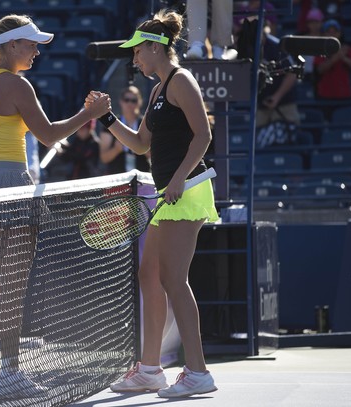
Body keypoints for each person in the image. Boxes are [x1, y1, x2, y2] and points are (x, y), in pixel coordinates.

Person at [0, 14, 109, 395]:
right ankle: (8, 371)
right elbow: (49, 135)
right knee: (13, 284)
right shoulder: (17, 85)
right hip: (11, 186)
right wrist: (89, 115)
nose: (36, 51)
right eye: (30, 44)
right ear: (11, 46)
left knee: (6, 282)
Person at [87, 9, 219, 398]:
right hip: (169, 193)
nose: (135, 59)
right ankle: (150, 369)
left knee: (173, 280)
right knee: (150, 275)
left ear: (154, 47)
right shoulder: (159, 89)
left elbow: (203, 136)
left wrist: (178, 179)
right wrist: (106, 117)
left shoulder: (182, 81)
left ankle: (198, 372)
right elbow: (142, 144)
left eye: (137, 53)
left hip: (188, 189)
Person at [313, 19, 351, 119]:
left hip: (344, 95)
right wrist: (335, 58)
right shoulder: (320, 49)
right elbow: (319, 69)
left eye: (335, 31)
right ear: (323, 34)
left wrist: (343, 58)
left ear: (340, 33)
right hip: (325, 96)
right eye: (328, 31)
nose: (332, 34)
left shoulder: (346, 49)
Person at [99, 85, 150, 174]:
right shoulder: (111, 123)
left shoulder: (146, 122)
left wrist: (142, 148)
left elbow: (155, 156)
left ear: (140, 102)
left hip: (142, 178)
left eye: (134, 100)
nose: (130, 104)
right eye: (126, 100)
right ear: (121, 102)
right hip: (118, 178)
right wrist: (116, 149)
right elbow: (104, 158)